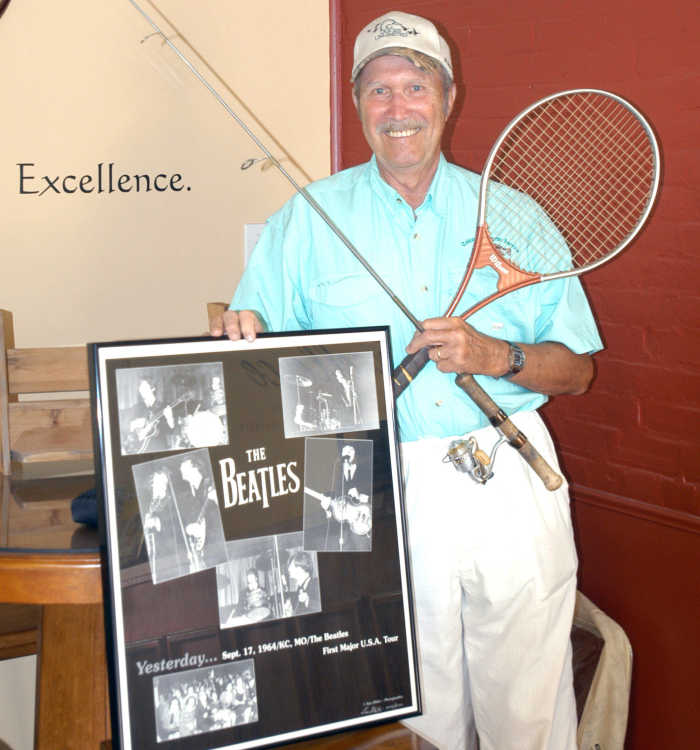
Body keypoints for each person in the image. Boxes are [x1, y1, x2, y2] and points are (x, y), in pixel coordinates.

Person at [210, 10, 601, 749]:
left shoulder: (516, 215)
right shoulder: (307, 218)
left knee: (529, 705)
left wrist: (496, 356)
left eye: (414, 86)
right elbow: (257, 362)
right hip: (372, 478)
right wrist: (239, 345)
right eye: (378, 90)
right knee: (418, 704)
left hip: (506, 467)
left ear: (448, 98)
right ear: (359, 105)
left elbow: (577, 370)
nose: (398, 109)